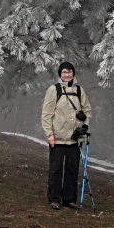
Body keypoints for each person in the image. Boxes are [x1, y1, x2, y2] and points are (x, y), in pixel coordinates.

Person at [41, 61, 92, 210]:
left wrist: (84, 127)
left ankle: (69, 199)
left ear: (73, 74)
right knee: (56, 169)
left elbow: (87, 111)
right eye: (64, 72)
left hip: (74, 138)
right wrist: (49, 134)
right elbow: (46, 114)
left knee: (72, 168)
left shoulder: (79, 91)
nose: (67, 75)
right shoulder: (54, 90)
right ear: (60, 74)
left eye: (69, 72)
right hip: (57, 137)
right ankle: (54, 199)